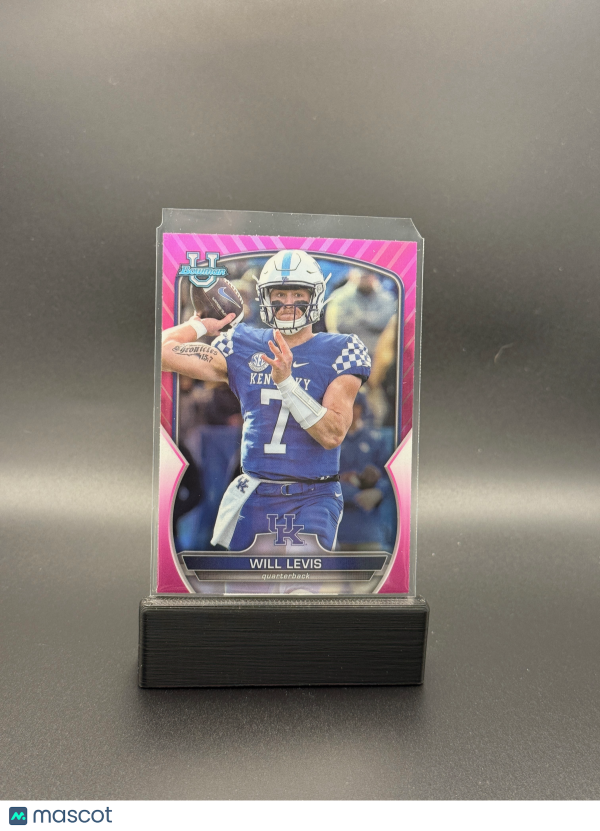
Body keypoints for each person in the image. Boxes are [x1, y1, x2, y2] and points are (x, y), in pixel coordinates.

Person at [161, 249, 371, 552]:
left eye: (298, 294)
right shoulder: (242, 344)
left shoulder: (342, 349)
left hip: (314, 495)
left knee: (304, 576)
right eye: (279, 294)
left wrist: (287, 384)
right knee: (243, 580)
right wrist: (200, 325)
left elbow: (332, 433)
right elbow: (162, 353)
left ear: (315, 296)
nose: (288, 303)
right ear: (266, 298)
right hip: (255, 492)